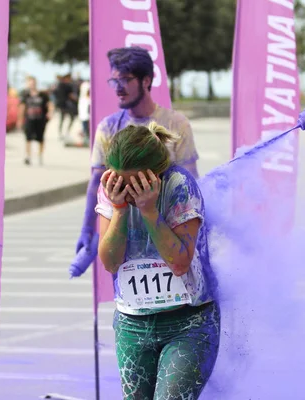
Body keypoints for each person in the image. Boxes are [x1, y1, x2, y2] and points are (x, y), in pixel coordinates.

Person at [96, 121, 219, 399]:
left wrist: (149, 211)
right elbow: (110, 263)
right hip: (132, 322)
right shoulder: (110, 188)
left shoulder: (178, 184)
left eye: (135, 183)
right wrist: (118, 210)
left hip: (188, 321)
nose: (126, 190)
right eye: (119, 181)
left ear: (155, 175)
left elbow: (179, 263)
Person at [74, 46, 200, 269]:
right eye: (114, 81)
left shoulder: (176, 124)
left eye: (125, 79)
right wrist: (87, 228)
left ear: (146, 80)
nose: (118, 88)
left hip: (171, 232)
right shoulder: (108, 127)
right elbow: (96, 182)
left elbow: (191, 181)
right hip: (128, 244)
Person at [17, 76, 53, 166]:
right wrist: (20, 120)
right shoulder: (25, 94)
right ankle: (28, 156)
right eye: (30, 83)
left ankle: (40, 156)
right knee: (28, 138)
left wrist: (50, 113)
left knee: (40, 138)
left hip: (40, 119)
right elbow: (22, 107)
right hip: (29, 119)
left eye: (33, 82)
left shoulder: (43, 95)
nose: (32, 84)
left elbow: (49, 104)